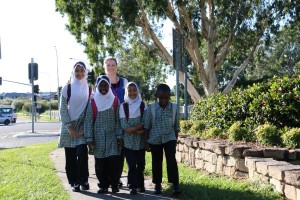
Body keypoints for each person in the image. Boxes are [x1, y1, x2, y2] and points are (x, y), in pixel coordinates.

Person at [84, 75, 123, 194]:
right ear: (97, 87)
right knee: (100, 164)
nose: (103, 88)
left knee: (114, 163)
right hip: (98, 138)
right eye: (101, 86)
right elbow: (88, 121)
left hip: (112, 137)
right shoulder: (93, 102)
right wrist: (89, 139)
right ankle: (103, 185)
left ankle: (114, 184)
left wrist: (119, 136)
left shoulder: (115, 100)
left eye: (106, 85)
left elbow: (118, 120)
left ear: (109, 86)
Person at [142, 84, 181, 195]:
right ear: (156, 96)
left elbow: (176, 126)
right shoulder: (151, 108)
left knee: (171, 161)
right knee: (156, 161)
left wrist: (175, 140)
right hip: (155, 139)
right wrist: (146, 142)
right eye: (161, 98)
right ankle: (157, 185)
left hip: (170, 138)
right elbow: (147, 126)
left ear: (170, 96)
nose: (164, 100)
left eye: (166, 97)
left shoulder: (174, 108)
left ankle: (175, 185)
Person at [58, 61, 91, 192]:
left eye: (82, 70)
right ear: (73, 72)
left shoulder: (89, 89)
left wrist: (83, 129)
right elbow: (62, 108)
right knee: (70, 157)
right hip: (69, 126)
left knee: (83, 154)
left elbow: (89, 110)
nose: (79, 73)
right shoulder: (67, 87)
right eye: (77, 71)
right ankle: (74, 182)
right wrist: (69, 127)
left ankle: (84, 180)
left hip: (82, 126)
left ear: (86, 72)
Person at [103, 56, 128, 187]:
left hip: (121, 119)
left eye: (113, 65)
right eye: (108, 65)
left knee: (120, 151)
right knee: (107, 151)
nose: (111, 67)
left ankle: (117, 178)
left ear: (117, 66)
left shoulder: (124, 81)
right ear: (104, 67)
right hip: (106, 121)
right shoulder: (101, 81)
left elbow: (129, 98)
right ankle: (107, 179)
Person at [119, 82, 147, 194]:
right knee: (131, 164)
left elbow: (145, 121)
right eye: (129, 90)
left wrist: (135, 129)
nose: (132, 92)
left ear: (138, 91)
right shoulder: (123, 106)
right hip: (128, 141)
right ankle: (132, 185)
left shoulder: (143, 105)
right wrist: (137, 131)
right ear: (126, 92)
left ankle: (141, 184)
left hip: (140, 141)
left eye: (134, 90)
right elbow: (124, 124)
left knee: (141, 163)